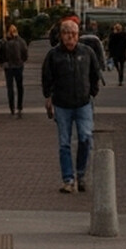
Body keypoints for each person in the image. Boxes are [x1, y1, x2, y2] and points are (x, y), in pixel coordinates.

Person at [41, 18, 102, 193]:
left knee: (85, 138)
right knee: (64, 143)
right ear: (61, 35)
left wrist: (92, 92)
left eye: (74, 34)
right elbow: (47, 77)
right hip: (62, 104)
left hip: (83, 103)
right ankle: (68, 179)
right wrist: (48, 96)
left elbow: (94, 73)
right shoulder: (54, 55)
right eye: (67, 33)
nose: (70, 37)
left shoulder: (87, 52)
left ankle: (81, 174)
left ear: (78, 35)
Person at [0, 24, 29, 117]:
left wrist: (2, 63)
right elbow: (25, 53)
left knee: (13, 87)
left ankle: (15, 107)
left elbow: (1, 54)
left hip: (12, 66)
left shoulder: (5, 42)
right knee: (16, 87)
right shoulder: (20, 41)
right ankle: (17, 107)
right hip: (15, 66)